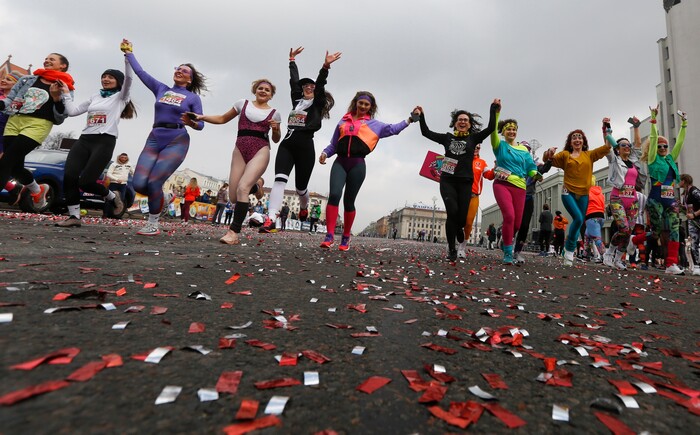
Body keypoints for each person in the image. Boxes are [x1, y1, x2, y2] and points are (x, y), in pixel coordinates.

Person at [123, 39, 205, 236]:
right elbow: (141, 73)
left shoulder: (193, 98)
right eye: (178, 68)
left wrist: (192, 122)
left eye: (185, 71)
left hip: (177, 139)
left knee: (153, 183)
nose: (179, 71)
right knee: (139, 184)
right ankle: (164, 196)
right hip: (154, 137)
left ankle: (153, 223)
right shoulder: (161, 89)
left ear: (190, 80)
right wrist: (129, 53)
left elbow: (201, 124)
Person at [319, 91, 415, 251]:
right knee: (334, 195)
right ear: (356, 103)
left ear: (371, 107)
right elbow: (334, 144)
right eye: (360, 103)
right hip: (340, 162)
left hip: (357, 164)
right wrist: (324, 153)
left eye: (366, 104)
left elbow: (394, 129)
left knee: (349, 202)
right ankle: (329, 236)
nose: (363, 106)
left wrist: (410, 119)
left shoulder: (375, 125)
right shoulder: (343, 121)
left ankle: (346, 237)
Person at [193, 79, 282, 244]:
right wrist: (201, 117)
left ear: (271, 95)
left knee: (243, 188)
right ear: (255, 90)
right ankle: (256, 186)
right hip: (240, 149)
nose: (263, 91)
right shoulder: (243, 104)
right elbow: (222, 119)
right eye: (260, 88)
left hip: (260, 150)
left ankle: (233, 233)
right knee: (233, 196)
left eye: (267, 90)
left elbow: (276, 139)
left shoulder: (275, 113)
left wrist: (276, 129)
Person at [263, 47, 341, 232]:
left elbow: (320, 84)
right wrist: (291, 61)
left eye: (311, 86)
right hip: (288, 144)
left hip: (306, 146)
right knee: (279, 179)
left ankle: (304, 207)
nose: (308, 88)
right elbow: (293, 82)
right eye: (305, 86)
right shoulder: (296, 101)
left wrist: (325, 67)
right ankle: (271, 218)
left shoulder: (318, 103)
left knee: (300, 188)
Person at [55, 58, 136, 227]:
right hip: (85, 139)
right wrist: (65, 93)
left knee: (86, 182)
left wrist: (128, 58)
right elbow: (72, 111)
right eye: (103, 76)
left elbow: (129, 79)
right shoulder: (95, 96)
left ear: (118, 82)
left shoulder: (121, 97)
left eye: (110, 77)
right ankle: (74, 217)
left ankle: (113, 197)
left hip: (105, 140)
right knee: (70, 176)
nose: (105, 79)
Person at [415, 99, 499, 261]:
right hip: (448, 180)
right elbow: (426, 132)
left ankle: (460, 227)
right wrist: (422, 116)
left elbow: (490, 128)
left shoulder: (474, 139)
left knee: (461, 217)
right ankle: (452, 250)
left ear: (469, 124)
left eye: (465, 120)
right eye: (460, 119)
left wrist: (493, 109)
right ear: (455, 123)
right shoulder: (447, 138)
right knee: (452, 212)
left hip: (465, 182)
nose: (462, 122)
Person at [0, 53, 74, 211]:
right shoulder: (27, 80)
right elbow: (10, 99)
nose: (47, 61)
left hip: (38, 124)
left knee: (6, 161)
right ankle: (37, 190)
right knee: (15, 168)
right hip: (15, 120)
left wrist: (56, 98)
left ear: (63, 66)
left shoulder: (65, 86)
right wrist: (1, 104)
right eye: (46, 59)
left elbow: (62, 115)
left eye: (52, 59)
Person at [543, 126, 611, 266]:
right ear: (570, 141)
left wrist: (606, 129)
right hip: (568, 192)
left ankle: (567, 251)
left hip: (584, 194)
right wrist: (549, 152)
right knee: (579, 218)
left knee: (579, 222)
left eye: (580, 137)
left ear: (584, 141)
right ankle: (569, 251)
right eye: (574, 137)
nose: (577, 139)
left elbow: (607, 147)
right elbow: (548, 159)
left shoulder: (589, 155)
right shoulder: (565, 155)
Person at [642, 105, 687, 274]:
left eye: (665, 146)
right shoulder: (653, 159)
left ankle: (671, 264)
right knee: (656, 232)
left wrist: (684, 124)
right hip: (655, 200)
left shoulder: (670, 159)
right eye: (660, 146)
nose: (662, 148)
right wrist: (653, 118)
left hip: (670, 200)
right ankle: (634, 240)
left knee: (675, 229)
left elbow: (680, 143)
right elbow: (653, 139)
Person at [489, 116, 540, 264]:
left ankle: (506, 241)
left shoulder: (524, 150)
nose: (511, 131)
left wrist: (535, 174)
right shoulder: (499, 145)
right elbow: (492, 130)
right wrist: (495, 112)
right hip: (502, 184)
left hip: (520, 187)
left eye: (514, 129)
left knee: (517, 224)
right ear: (503, 132)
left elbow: (530, 168)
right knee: (509, 217)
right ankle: (507, 252)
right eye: (508, 129)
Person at [602, 117, 644, 269]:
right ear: (618, 148)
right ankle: (609, 253)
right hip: (617, 198)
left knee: (629, 232)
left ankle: (619, 259)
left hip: (632, 200)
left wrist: (637, 127)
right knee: (623, 229)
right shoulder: (614, 159)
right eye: (623, 145)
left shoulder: (632, 161)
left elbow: (638, 145)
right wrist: (606, 129)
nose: (627, 146)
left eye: (628, 144)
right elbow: (607, 146)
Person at [513, 145, 552, 263]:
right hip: (515, 196)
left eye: (528, 150)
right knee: (514, 224)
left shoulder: (534, 166)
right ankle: (508, 244)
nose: (526, 152)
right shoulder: (513, 162)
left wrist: (550, 159)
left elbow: (544, 169)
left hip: (528, 198)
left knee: (524, 226)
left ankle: (517, 251)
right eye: (523, 149)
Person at [464, 144, 492, 247]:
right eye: (474, 145)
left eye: (478, 147)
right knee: (456, 220)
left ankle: (462, 246)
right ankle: (451, 244)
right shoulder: (461, 158)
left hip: (473, 196)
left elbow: (489, 175)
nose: (476, 148)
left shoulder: (482, 162)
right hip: (459, 194)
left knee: (468, 222)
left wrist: (496, 168)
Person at [680, 174, 700, 275]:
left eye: (680, 181)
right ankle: (696, 266)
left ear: (684, 181)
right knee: (693, 243)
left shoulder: (694, 191)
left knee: (695, 242)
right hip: (692, 222)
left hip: (697, 219)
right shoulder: (686, 193)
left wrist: (695, 214)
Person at [0, 72, 23, 160]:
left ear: (16, 85)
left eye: (8, 79)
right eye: (3, 78)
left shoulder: (18, 101)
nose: (3, 80)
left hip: (5, 136)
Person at [584, 176, 606, 264]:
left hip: (591, 216)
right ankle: (586, 256)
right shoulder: (600, 193)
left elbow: (583, 204)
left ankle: (604, 256)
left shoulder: (587, 192)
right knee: (587, 235)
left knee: (597, 238)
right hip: (601, 216)